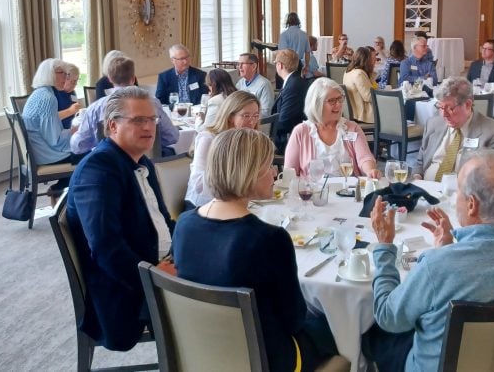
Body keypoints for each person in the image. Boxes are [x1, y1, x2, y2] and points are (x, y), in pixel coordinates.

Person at [364, 149, 494, 371]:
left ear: (472, 204)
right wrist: (448, 249)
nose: (456, 197)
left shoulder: (436, 266)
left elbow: (388, 317)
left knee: (371, 333)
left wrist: (385, 247)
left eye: (459, 191)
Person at [173, 128, 340, 372]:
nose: (275, 173)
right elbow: (293, 319)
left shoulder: (184, 224)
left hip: (201, 349)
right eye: (269, 166)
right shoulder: (268, 238)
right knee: (341, 328)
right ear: (249, 173)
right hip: (263, 360)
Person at [65, 86, 175, 352]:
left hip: (159, 264)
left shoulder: (140, 162)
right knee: (228, 297)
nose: (149, 127)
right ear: (112, 126)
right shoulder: (98, 169)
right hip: (126, 292)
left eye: (152, 119)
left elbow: (160, 221)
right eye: (138, 120)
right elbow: (106, 248)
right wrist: (154, 277)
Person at [71, 56, 179, 157]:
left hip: (108, 167)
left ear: (110, 79)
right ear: (133, 78)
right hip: (145, 164)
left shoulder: (95, 108)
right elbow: (172, 137)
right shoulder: (151, 103)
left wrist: (89, 140)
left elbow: (77, 147)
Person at [413, 77, 494, 181]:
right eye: (440, 107)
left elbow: (493, 177)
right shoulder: (433, 124)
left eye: (450, 108)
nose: (444, 115)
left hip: (462, 193)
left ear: (467, 104)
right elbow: (419, 163)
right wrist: (417, 180)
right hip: (425, 190)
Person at [284, 77, 382, 178]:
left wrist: (370, 170)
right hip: (313, 192)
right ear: (317, 104)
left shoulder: (352, 128)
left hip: (347, 190)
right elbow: (289, 172)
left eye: (340, 99)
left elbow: (364, 158)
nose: (339, 104)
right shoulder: (301, 132)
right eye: (332, 101)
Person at [21, 58, 84, 200]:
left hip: (38, 151)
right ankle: (60, 192)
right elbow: (55, 140)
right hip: (47, 154)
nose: (65, 78)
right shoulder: (48, 98)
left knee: (89, 152)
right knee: (93, 157)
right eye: (63, 73)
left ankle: (61, 192)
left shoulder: (39, 93)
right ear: (50, 74)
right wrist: (74, 131)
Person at [185, 91, 261, 207]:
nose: (252, 121)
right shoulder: (208, 139)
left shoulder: (250, 140)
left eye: (255, 116)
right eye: (246, 116)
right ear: (230, 116)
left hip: (237, 203)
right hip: (203, 206)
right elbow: (199, 183)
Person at [272, 49, 310, 151]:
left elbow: (285, 120)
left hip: (291, 139)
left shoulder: (293, 85)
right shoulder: (295, 80)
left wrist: (268, 131)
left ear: (280, 65)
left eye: (275, 63)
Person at [342, 46, 376, 124]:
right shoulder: (359, 74)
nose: (374, 61)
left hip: (354, 112)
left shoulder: (348, 72)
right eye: (372, 58)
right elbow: (369, 97)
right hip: (363, 114)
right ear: (367, 60)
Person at [55, 62, 82, 129]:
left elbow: (76, 112)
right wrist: (70, 110)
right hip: (60, 131)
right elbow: (51, 118)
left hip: (74, 127)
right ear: (65, 78)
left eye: (76, 81)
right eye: (72, 81)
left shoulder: (72, 92)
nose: (75, 85)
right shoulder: (54, 93)